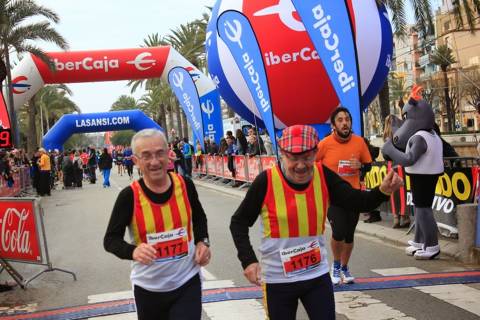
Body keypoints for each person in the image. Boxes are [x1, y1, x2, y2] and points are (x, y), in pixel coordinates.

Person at [230, 125, 402, 320]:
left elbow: (356, 201)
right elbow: (238, 222)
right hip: (278, 280)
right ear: (283, 155)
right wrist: (249, 261)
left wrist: (383, 191)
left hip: (315, 276)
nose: (301, 165)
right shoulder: (266, 181)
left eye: (307, 157)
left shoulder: (323, 175)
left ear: (315, 153)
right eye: (293, 158)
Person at [104, 129, 211, 320]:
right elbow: (110, 240)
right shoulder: (129, 196)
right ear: (135, 161)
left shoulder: (185, 185)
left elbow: (200, 217)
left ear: (168, 154)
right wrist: (133, 251)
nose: (154, 161)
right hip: (149, 288)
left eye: (160, 153)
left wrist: (203, 242)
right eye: (146, 156)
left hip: (187, 281)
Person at [315, 107, 373, 285]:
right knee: (338, 231)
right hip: (333, 197)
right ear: (333, 125)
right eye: (340, 120)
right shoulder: (325, 144)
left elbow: (368, 164)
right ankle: (336, 264)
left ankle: (345, 267)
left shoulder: (359, 142)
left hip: (353, 194)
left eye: (347, 119)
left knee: (349, 235)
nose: (345, 122)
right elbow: (313, 164)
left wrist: (361, 167)